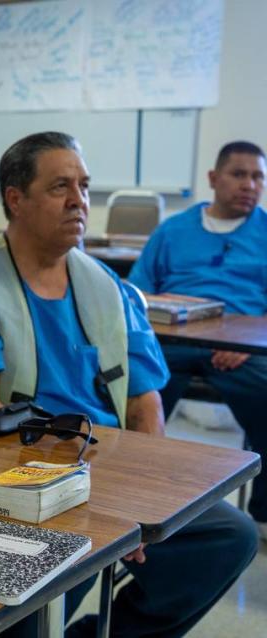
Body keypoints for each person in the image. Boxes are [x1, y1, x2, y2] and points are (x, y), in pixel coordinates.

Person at [0, 131, 257, 637]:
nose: (80, 201)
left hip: (106, 475)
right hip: (19, 479)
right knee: (40, 594)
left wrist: (143, 505)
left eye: (85, 186)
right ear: (16, 199)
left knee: (228, 537)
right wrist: (93, 509)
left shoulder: (109, 287)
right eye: (60, 187)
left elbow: (145, 402)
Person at [129, 140, 267, 542]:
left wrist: (245, 338)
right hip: (171, 343)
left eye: (258, 176)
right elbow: (135, 294)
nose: (249, 184)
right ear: (213, 178)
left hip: (239, 350)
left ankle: (263, 513)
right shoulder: (172, 230)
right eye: (239, 174)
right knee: (132, 390)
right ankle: (133, 494)